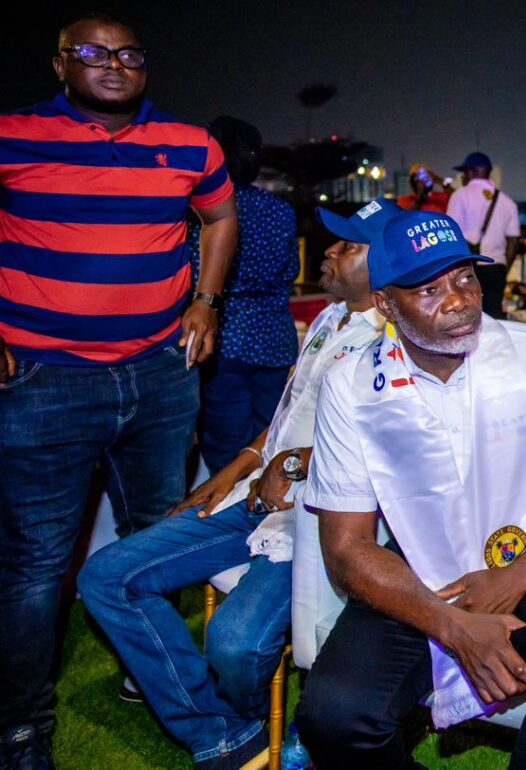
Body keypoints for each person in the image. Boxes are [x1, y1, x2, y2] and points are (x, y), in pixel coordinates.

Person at [295, 210, 526, 770]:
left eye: (465, 278)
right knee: (333, 714)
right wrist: (454, 627)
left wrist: (517, 575)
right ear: (385, 304)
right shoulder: (351, 385)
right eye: (428, 290)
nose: (458, 301)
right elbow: (346, 548)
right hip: (421, 566)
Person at [77, 198, 400, 770]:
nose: (327, 251)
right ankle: (225, 730)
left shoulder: (397, 343)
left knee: (236, 643)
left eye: (348, 246)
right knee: (106, 576)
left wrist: (293, 464)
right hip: (256, 497)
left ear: (387, 265)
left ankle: (256, 722)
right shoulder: (330, 317)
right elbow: (287, 417)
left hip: (319, 523)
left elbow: (391, 452)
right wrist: (230, 473)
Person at [0, 14, 238, 766]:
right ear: (60, 65)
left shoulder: (191, 144)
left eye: (129, 53)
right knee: (36, 565)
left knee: (154, 538)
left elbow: (220, 216)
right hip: (44, 380)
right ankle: (22, 727)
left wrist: (207, 301)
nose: (113, 64)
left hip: (159, 376)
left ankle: (148, 672)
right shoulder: (14, 135)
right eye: (93, 53)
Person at [187, 116, 299, 474]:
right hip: (274, 337)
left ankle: (228, 504)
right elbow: (290, 271)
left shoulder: (202, 210)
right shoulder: (280, 210)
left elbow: (195, 271)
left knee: (225, 446)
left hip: (224, 336)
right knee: (272, 437)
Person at [446, 151, 519, 319]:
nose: (462, 177)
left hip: (468, 267)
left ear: (472, 172)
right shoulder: (508, 202)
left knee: (466, 316)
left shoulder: (459, 196)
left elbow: (451, 235)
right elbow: (514, 240)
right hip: (496, 267)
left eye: (464, 173)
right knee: (494, 316)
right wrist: (504, 267)